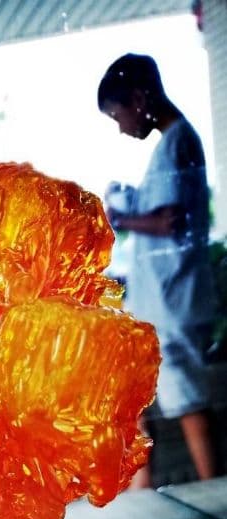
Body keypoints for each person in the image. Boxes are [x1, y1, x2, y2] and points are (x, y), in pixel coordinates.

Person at [98, 52, 222, 484]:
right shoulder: (171, 145)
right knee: (137, 398)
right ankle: (142, 490)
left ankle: (214, 491)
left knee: (186, 401)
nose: (121, 127)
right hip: (161, 300)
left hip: (173, 301)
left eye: (118, 115)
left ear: (139, 99)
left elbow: (171, 221)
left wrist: (121, 218)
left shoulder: (178, 142)